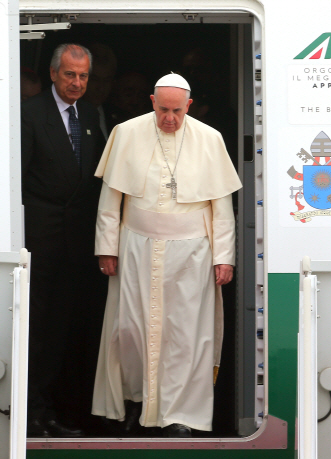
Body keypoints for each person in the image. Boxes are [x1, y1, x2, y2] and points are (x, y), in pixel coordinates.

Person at [91, 73, 242, 438]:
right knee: (130, 330)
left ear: (188, 106)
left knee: (186, 335)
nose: (169, 118)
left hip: (192, 255)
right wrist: (106, 247)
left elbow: (222, 207)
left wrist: (225, 256)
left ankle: (182, 415)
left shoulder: (210, 139)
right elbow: (111, 201)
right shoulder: (126, 133)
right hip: (136, 248)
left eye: (176, 110)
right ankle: (137, 404)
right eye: (162, 110)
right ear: (151, 102)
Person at [22, 43, 107, 437]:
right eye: (70, 74)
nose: (76, 82)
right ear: (54, 73)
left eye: (84, 76)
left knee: (66, 329)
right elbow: (19, 181)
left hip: (78, 244)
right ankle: (30, 412)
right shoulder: (29, 112)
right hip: (39, 241)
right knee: (36, 330)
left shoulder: (92, 115)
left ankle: (56, 411)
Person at [83, 43, 121, 139]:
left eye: (107, 81)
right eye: (94, 80)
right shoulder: (64, 116)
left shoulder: (119, 117)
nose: (101, 87)